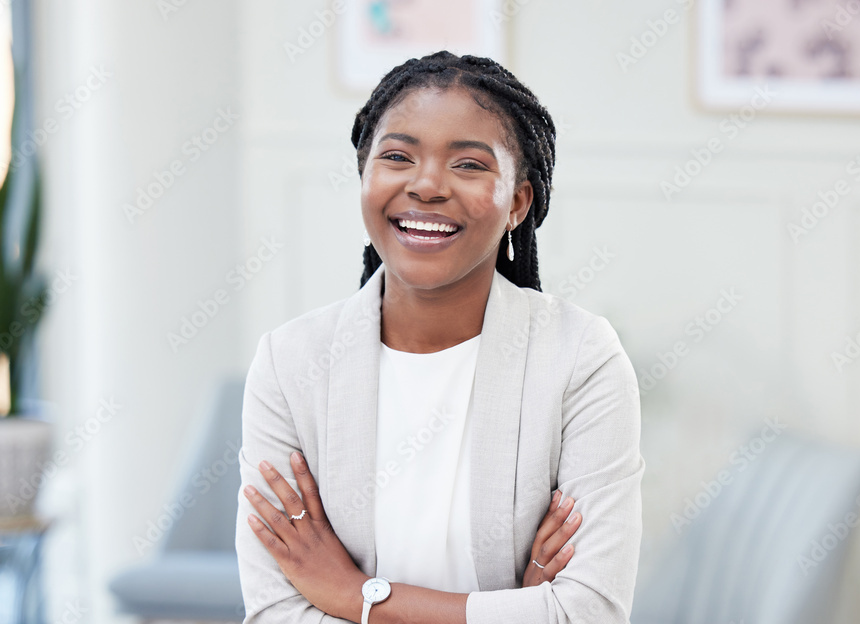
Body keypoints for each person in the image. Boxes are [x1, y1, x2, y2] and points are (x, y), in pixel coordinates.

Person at [235, 50, 643, 624]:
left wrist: (355, 597)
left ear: (518, 203)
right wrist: (513, 608)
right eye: (398, 156)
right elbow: (276, 612)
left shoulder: (579, 358)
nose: (426, 186)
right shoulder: (290, 362)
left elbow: (587, 613)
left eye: (469, 165)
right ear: (365, 177)